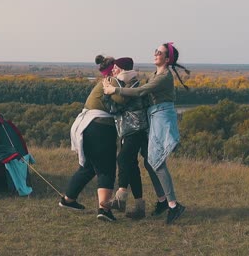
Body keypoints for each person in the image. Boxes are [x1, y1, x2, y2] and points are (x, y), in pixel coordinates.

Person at [103, 42, 190, 224]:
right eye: (156, 51)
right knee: (151, 162)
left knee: (157, 163)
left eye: (160, 52)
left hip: (162, 117)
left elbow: (142, 91)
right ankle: (162, 201)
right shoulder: (155, 74)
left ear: (167, 59)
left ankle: (173, 205)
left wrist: (114, 90)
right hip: (155, 116)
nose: (156, 53)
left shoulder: (164, 76)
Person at [58, 55, 121, 222]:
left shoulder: (103, 83)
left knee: (89, 167)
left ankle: (68, 200)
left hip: (87, 127)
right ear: (114, 70)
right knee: (106, 169)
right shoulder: (112, 82)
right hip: (100, 127)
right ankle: (104, 209)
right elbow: (122, 100)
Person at [103, 57, 167, 220]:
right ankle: (140, 207)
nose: (113, 71)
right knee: (132, 167)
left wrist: (106, 93)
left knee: (123, 159)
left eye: (116, 68)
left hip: (135, 130)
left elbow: (113, 109)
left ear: (123, 70)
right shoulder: (134, 85)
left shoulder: (129, 89)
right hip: (138, 130)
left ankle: (120, 198)